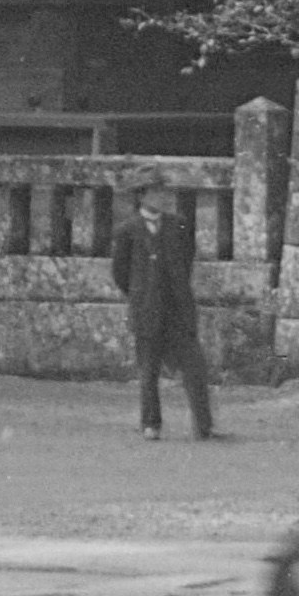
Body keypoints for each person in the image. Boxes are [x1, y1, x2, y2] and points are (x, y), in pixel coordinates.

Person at [112, 185, 213, 442]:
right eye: (155, 193)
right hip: (147, 310)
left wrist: (176, 290)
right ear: (141, 196)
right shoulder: (128, 231)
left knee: (194, 367)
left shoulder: (178, 226)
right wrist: (142, 293)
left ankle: (203, 425)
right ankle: (151, 423)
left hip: (177, 309)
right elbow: (120, 274)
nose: (162, 198)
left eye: (163, 193)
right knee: (148, 370)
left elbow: (186, 259)